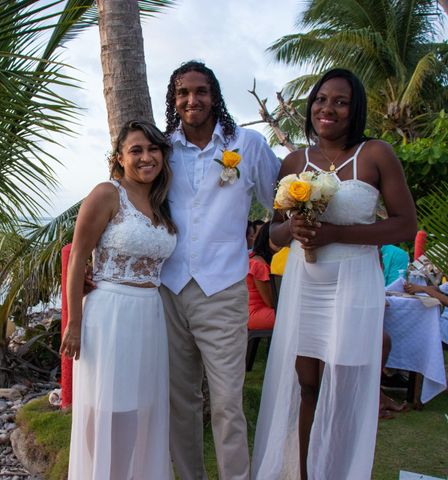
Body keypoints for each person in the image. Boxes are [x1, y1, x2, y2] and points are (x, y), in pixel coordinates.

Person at [252, 68, 417, 480]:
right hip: (306, 284)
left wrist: (336, 234)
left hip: (354, 281)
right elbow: (270, 235)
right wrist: (294, 229)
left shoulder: (376, 154)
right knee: (307, 385)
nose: (328, 108)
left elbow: (404, 224)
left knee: (341, 389)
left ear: (354, 108)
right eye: (321, 99)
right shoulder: (293, 161)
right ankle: (307, 473)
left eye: (340, 101)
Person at [159, 60, 280, 480]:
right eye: (183, 93)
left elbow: (278, 200)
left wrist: (270, 247)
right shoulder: (162, 147)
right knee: (181, 400)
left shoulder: (246, 144)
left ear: (215, 96)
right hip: (169, 289)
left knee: (228, 402)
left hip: (224, 289)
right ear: (174, 100)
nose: (192, 100)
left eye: (201, 91)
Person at [60, 120, 177, 479]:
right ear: (119, 158)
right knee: (109, 408)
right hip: (110, 314)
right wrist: (74, 324)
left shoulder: (162, 201)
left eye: (152, 149)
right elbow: (78, 257)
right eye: (136, 150)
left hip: (149, 314)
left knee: (139, 408)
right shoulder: (107, 194)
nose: (146, 157)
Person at [247, 222, 277, 331]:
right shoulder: (259, 264)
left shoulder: (254, 257)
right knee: (293, 318)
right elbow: (270, 301)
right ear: (266, 239)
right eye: (277, 238)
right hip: (255, 313)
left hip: (249, 312)